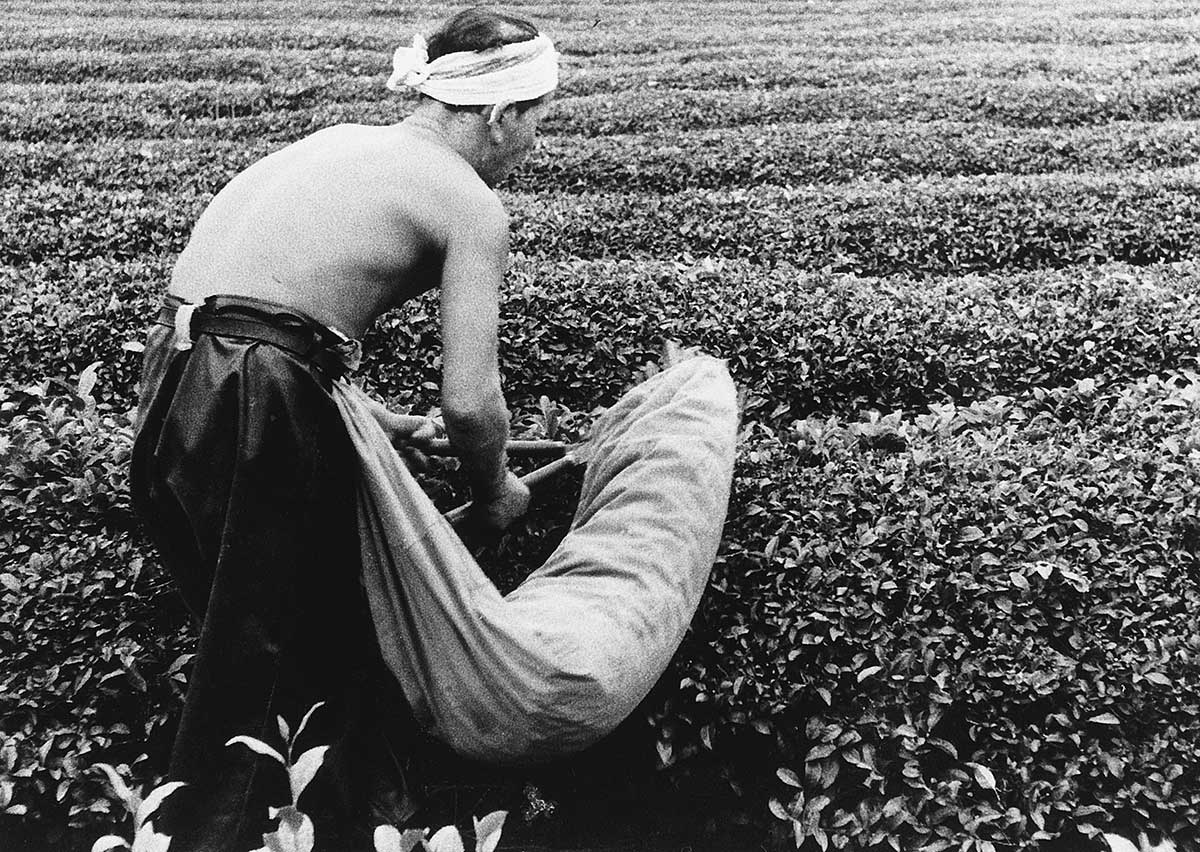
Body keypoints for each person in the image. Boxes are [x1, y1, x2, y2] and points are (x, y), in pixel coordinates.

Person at [129, 8, 558, 850]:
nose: (534, 145)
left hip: (175, 376)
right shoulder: (469, 203)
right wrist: (494, 491)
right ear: (501, 114)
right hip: (253, 391)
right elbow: (473, 402)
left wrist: (380, 421)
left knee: (260, 646)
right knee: (284, 662)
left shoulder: (339, 142)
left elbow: (253, 313)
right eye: (537, 120)